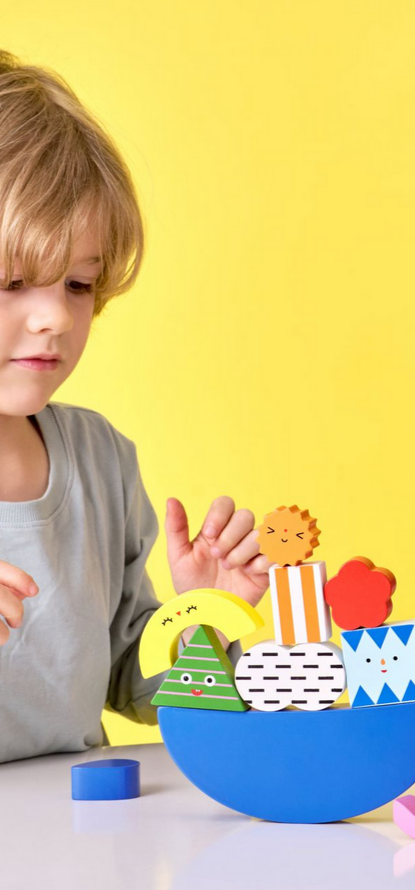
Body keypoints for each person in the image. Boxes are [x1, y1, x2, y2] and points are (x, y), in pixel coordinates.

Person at [0, 50, 270, 764]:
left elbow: (140, 687)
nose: (54, 316)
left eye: (80, 285)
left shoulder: (100, 462)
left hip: (74, 846)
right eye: (12, 281)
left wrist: (203, 617)